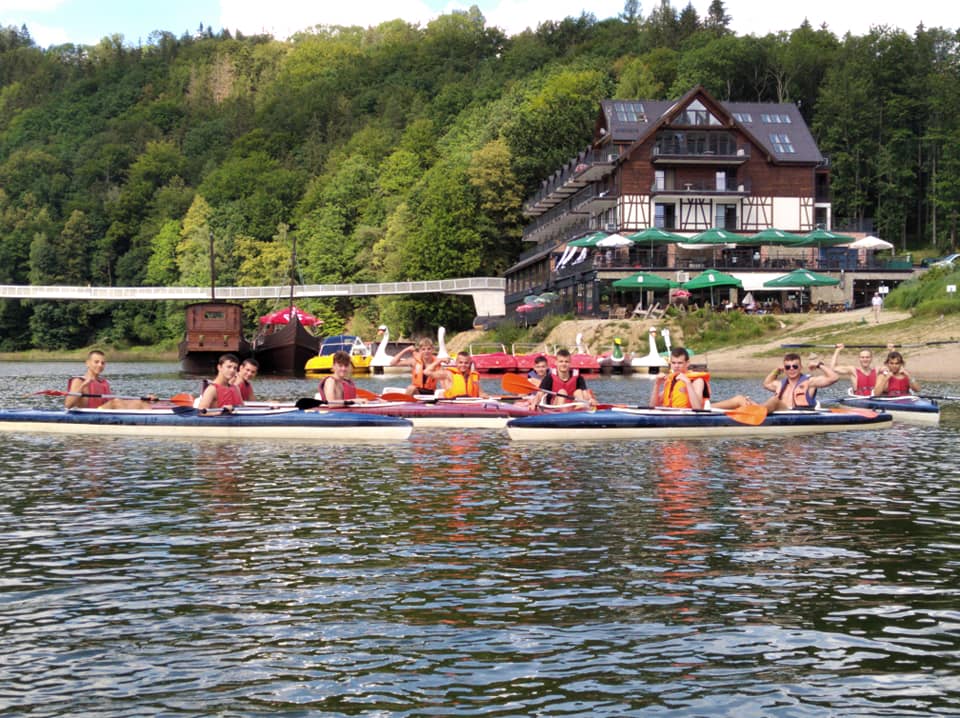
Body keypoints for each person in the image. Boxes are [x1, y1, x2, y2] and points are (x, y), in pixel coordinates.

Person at [650, 347, 753, 410]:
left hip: (702, 410)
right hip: (676, 413)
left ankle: (742, 402)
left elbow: (697, 408)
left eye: (680, 363)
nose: (676, 366)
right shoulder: (672, 381)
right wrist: (657, 384)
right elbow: (652, 406)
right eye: (673, 363)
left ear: (687, 363)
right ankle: (739, 401)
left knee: (735, 401)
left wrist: (687, 383)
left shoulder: (697, 381)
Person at [65, 349, 154, 410]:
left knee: (141, 402)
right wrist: (83, 386)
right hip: (89, 415)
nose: (100, 365)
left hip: (104, 412)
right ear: (87, 363)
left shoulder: (104, 383)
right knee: (116, 402)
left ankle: (152, 423)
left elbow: (111, 401)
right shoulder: (79, 381)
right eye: (96, 362)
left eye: (103, 363)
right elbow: (67, 405)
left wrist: (144, 399)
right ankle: (128, 425)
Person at [762, 352, 839, 411]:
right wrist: (777, 370)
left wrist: (819, 365)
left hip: (801, 415)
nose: (791, 369)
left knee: (774, 400)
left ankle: (759, 413)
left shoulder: (810, 382)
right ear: (784, 369)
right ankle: (756, 413)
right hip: (781, 413)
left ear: (800, 367)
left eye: (795, 366)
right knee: (749, 401)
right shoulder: (779, 384)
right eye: (788, 367)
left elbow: (834, 377)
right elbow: (766, 384)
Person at [532, 348, 597, 409]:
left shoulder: (578, 377)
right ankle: (561, 415)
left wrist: (590, 399)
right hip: (555, 407)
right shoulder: (549, 377)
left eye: (566, 362)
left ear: (570, 363)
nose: (564, 364)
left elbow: (584, 392)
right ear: (556, 363)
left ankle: (581, 410)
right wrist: (534, 404)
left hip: (573, 407)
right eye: (561, 361)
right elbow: (540, 394)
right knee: (562, 392)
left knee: (578, 391)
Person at [829, 343, 894, 396]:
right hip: (859, 400)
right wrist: (837, 350)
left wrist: (892, 351)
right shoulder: (853, 370)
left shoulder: (877, 370)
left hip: (874, 400)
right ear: (859, 358)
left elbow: (894, 368)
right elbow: (833, 368)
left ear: (871, 358)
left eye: (867, 357)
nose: (865, 359)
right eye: (862, 357)